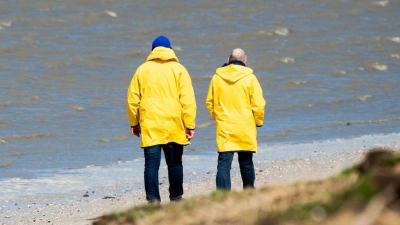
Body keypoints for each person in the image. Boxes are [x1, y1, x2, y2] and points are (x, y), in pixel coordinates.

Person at [126, 36, 196, 203]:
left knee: (151, 165)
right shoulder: (179, 69)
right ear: (170, 50)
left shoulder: (142, 70)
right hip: (174, 123)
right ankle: (177, 197)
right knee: (175, 164)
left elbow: (132, 99)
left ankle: (153, 201)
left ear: (152, 50)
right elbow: (188, 100)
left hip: (150, 123)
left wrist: (134, 123)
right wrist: (190, 125)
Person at [206, 48, 266, 191]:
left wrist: (218, 117)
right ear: (245, 61)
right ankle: (249, 192)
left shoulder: (217, 77)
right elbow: (258, 104)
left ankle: (222, 196)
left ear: (228, 60)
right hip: (245, 126)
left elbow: (210, 103)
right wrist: (258, 121)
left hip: (225, 126)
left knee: (224, 164)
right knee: (246, 163)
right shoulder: (250, 78)